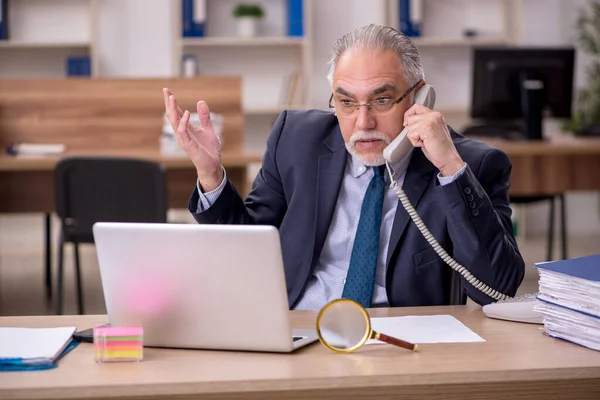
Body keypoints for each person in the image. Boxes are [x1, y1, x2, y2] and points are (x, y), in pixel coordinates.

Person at [162, 24, 525, 310]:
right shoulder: (296, 138)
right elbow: (249, 246)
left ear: (418, 98)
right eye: (346, 102)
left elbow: (497, 288)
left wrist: (449, 167)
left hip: (399, 339)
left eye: (381, 100)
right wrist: (210, 174)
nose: (362, 122)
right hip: (300, 325)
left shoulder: (471, 165)